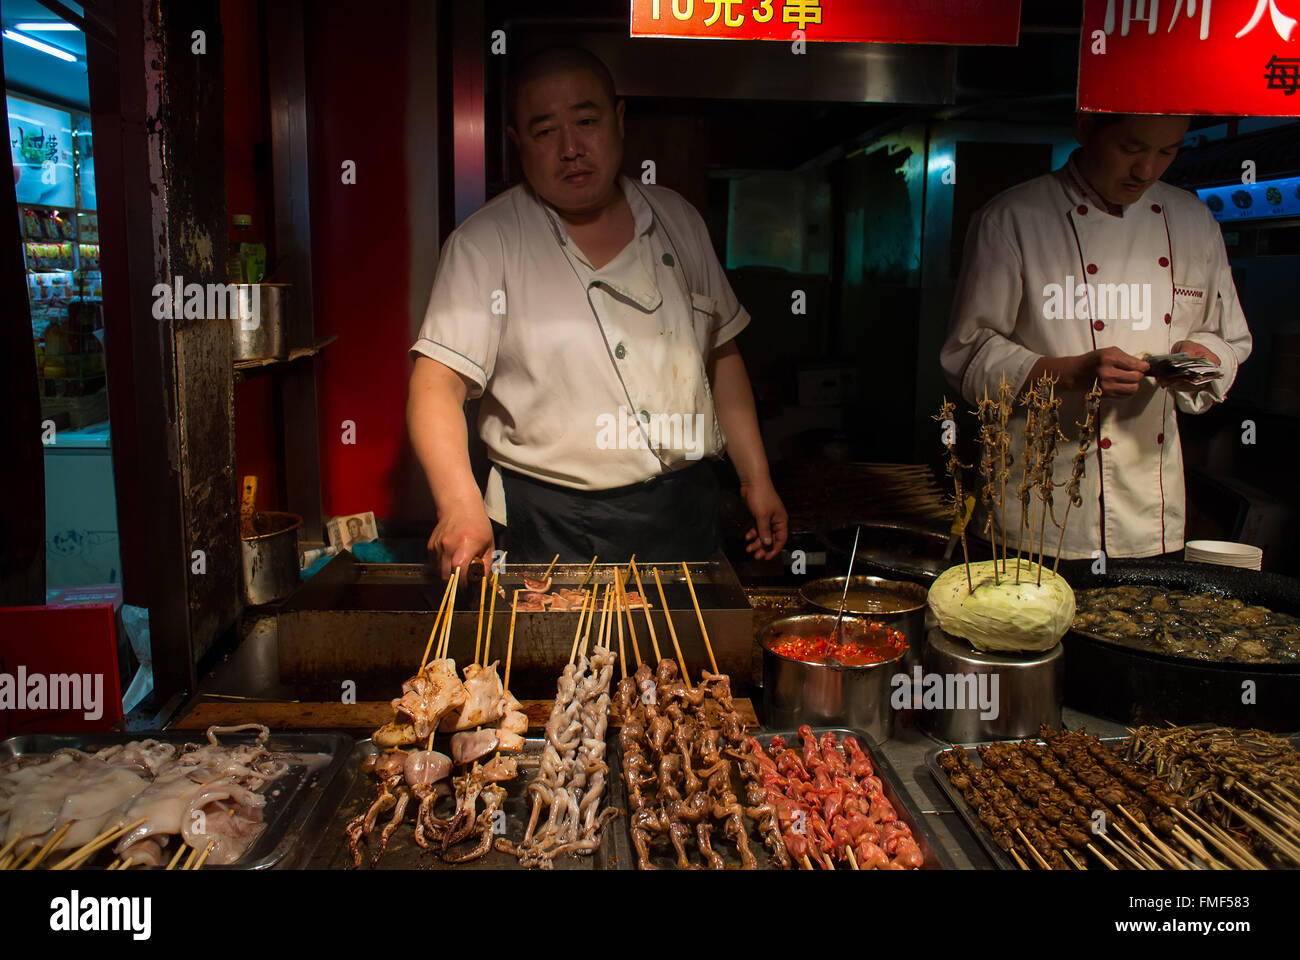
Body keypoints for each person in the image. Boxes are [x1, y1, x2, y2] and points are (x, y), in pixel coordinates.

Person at [408, 46, 787, 578]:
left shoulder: (678, 218)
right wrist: (458, 503)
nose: (570, 148)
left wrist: (756, 478)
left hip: (684, 514)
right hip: (550, 523)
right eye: (544, 132)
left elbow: (722, 355)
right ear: (518, 143)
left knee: (687, 660)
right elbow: (435, 385)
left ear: (619, 119)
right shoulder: (486, 242)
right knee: (554, 663)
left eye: (586, 121)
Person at [941, 113, 1252, 560]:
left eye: (1167, 151)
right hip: (1035, 514)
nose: (1147, 170)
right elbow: (967, 355)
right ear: (1086, 130)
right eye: (1131, 148)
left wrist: (1203, 358)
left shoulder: (1193, 221)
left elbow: (1230, 338)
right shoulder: (1012, 218)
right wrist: (1070, 373)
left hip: (1150, 513)